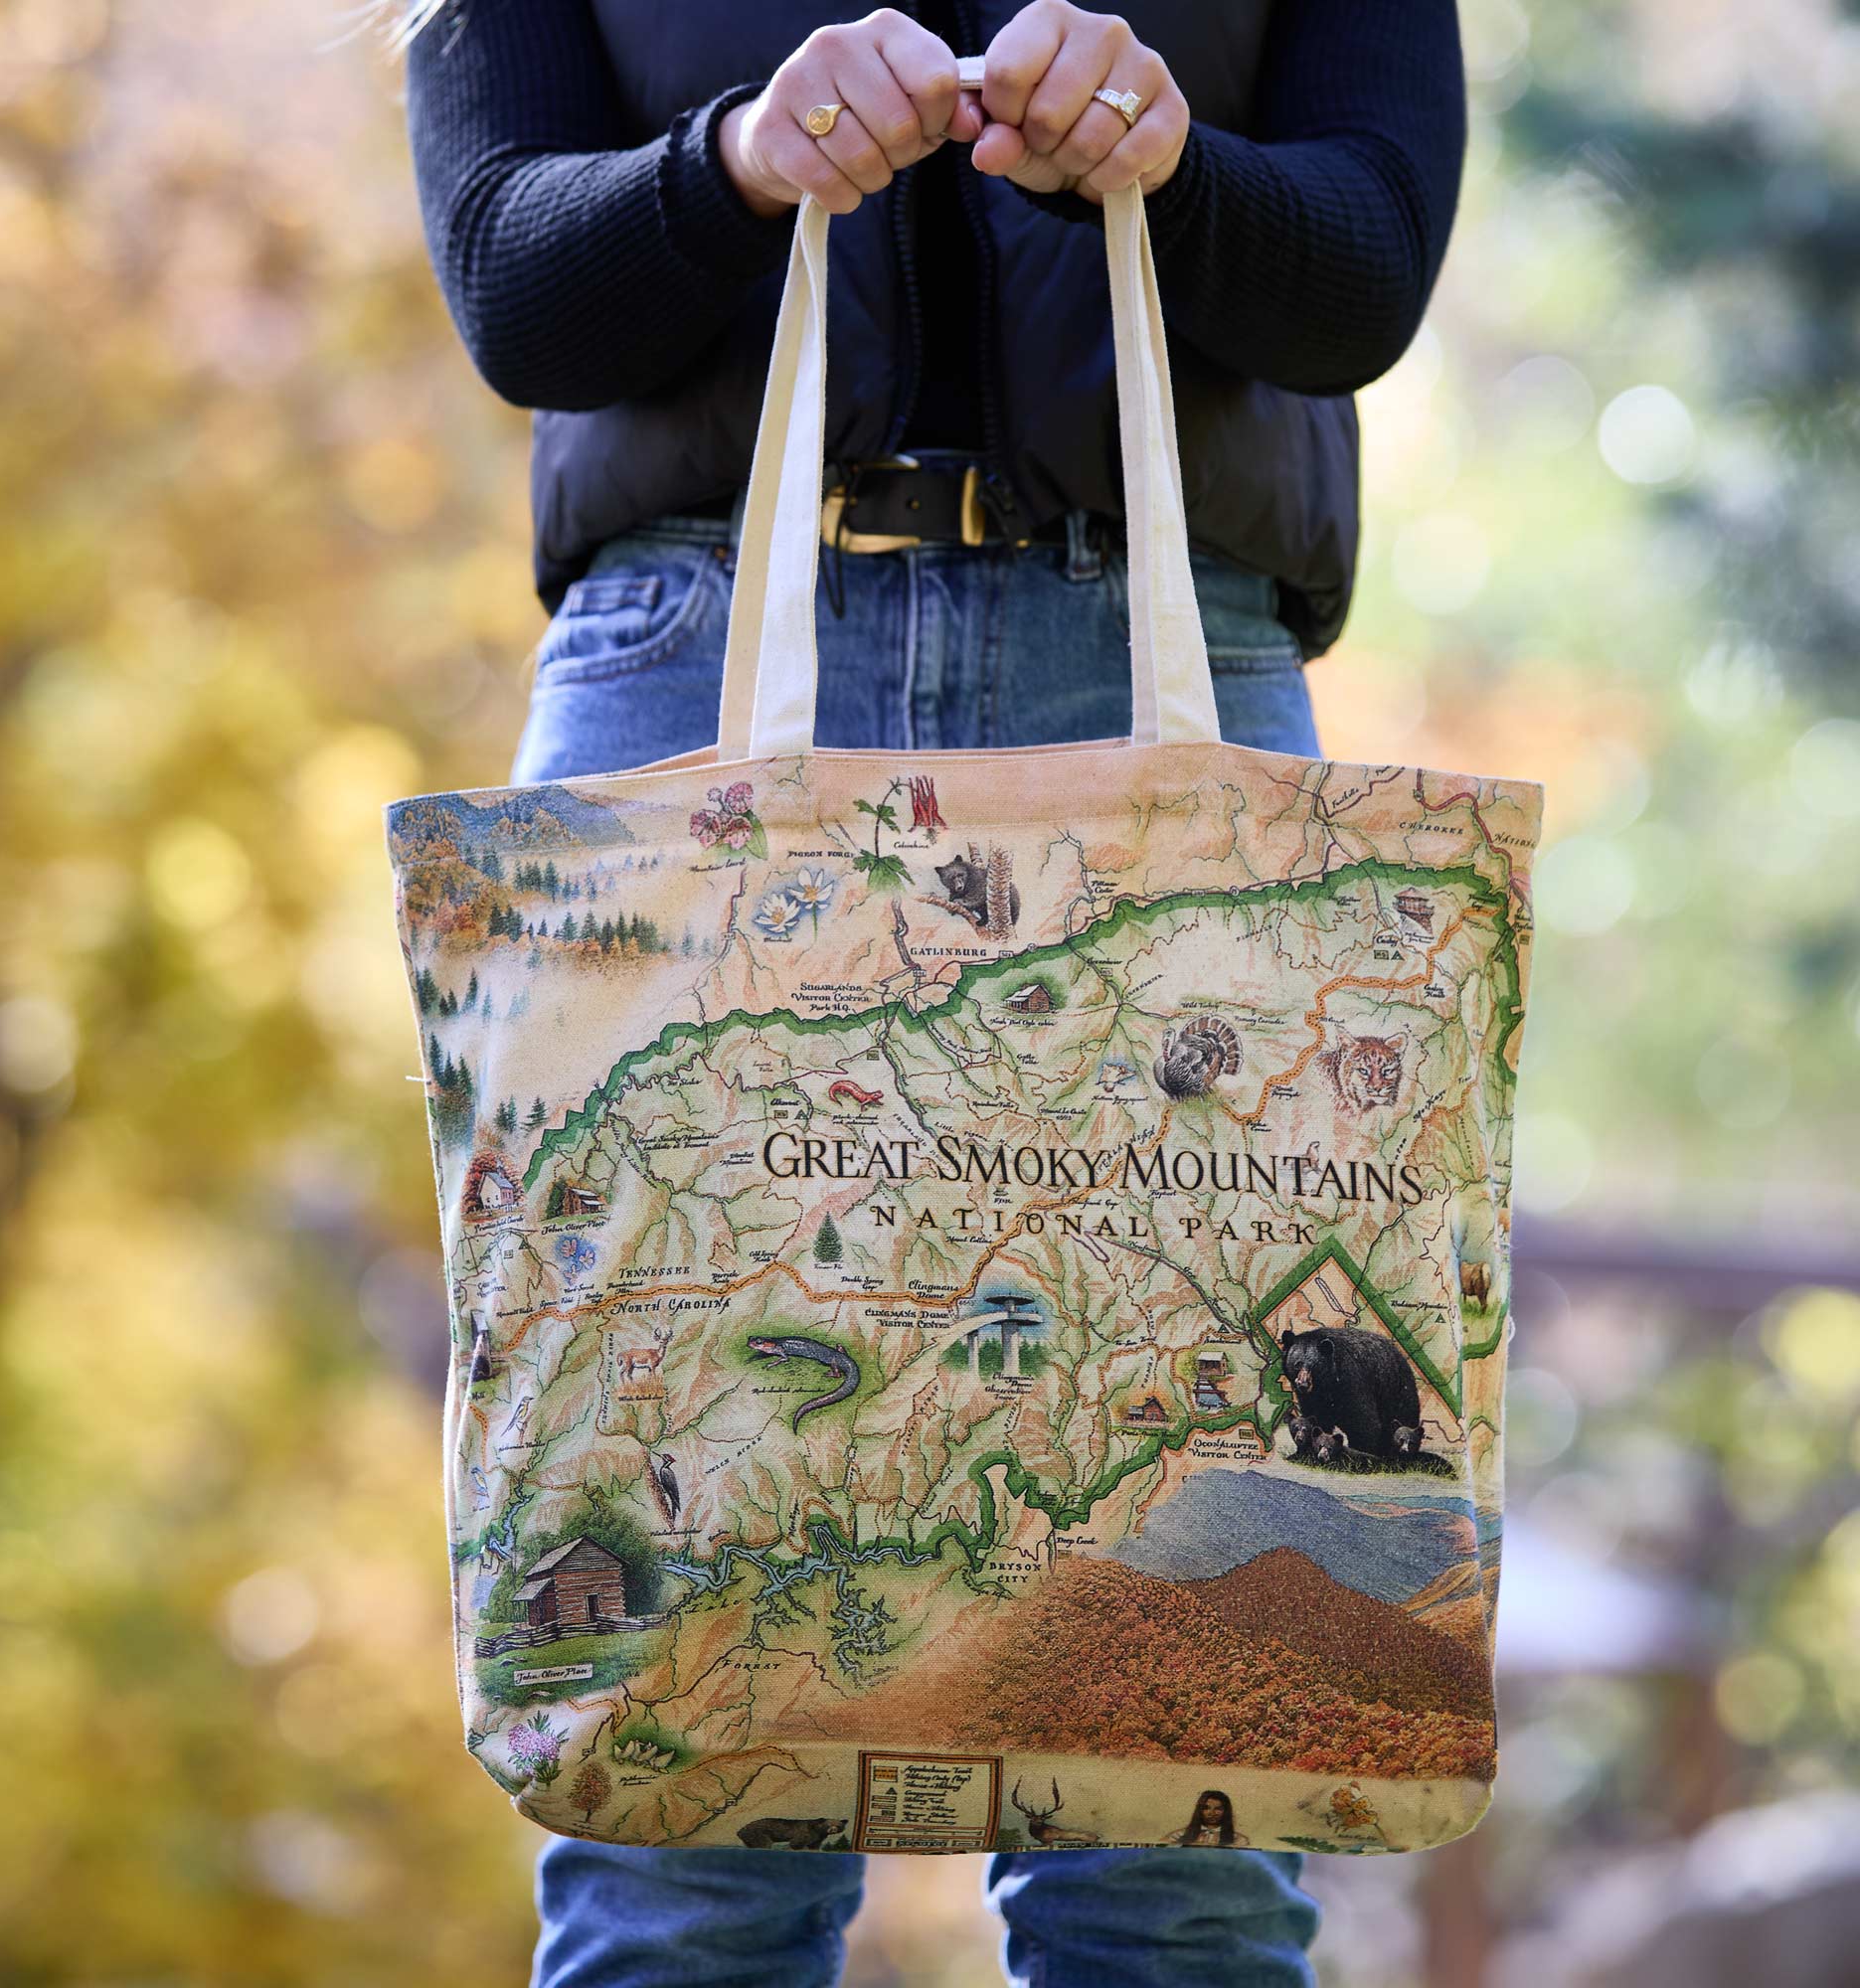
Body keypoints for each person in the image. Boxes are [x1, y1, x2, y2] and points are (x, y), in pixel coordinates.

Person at [400, 4, 1464, 1983]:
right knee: (673, 1771)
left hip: (1159, 656)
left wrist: (1173, 159)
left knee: (1192, 1788)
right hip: (695, 665)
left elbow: (1368, 259)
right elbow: (508, 277)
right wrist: (731, 164)